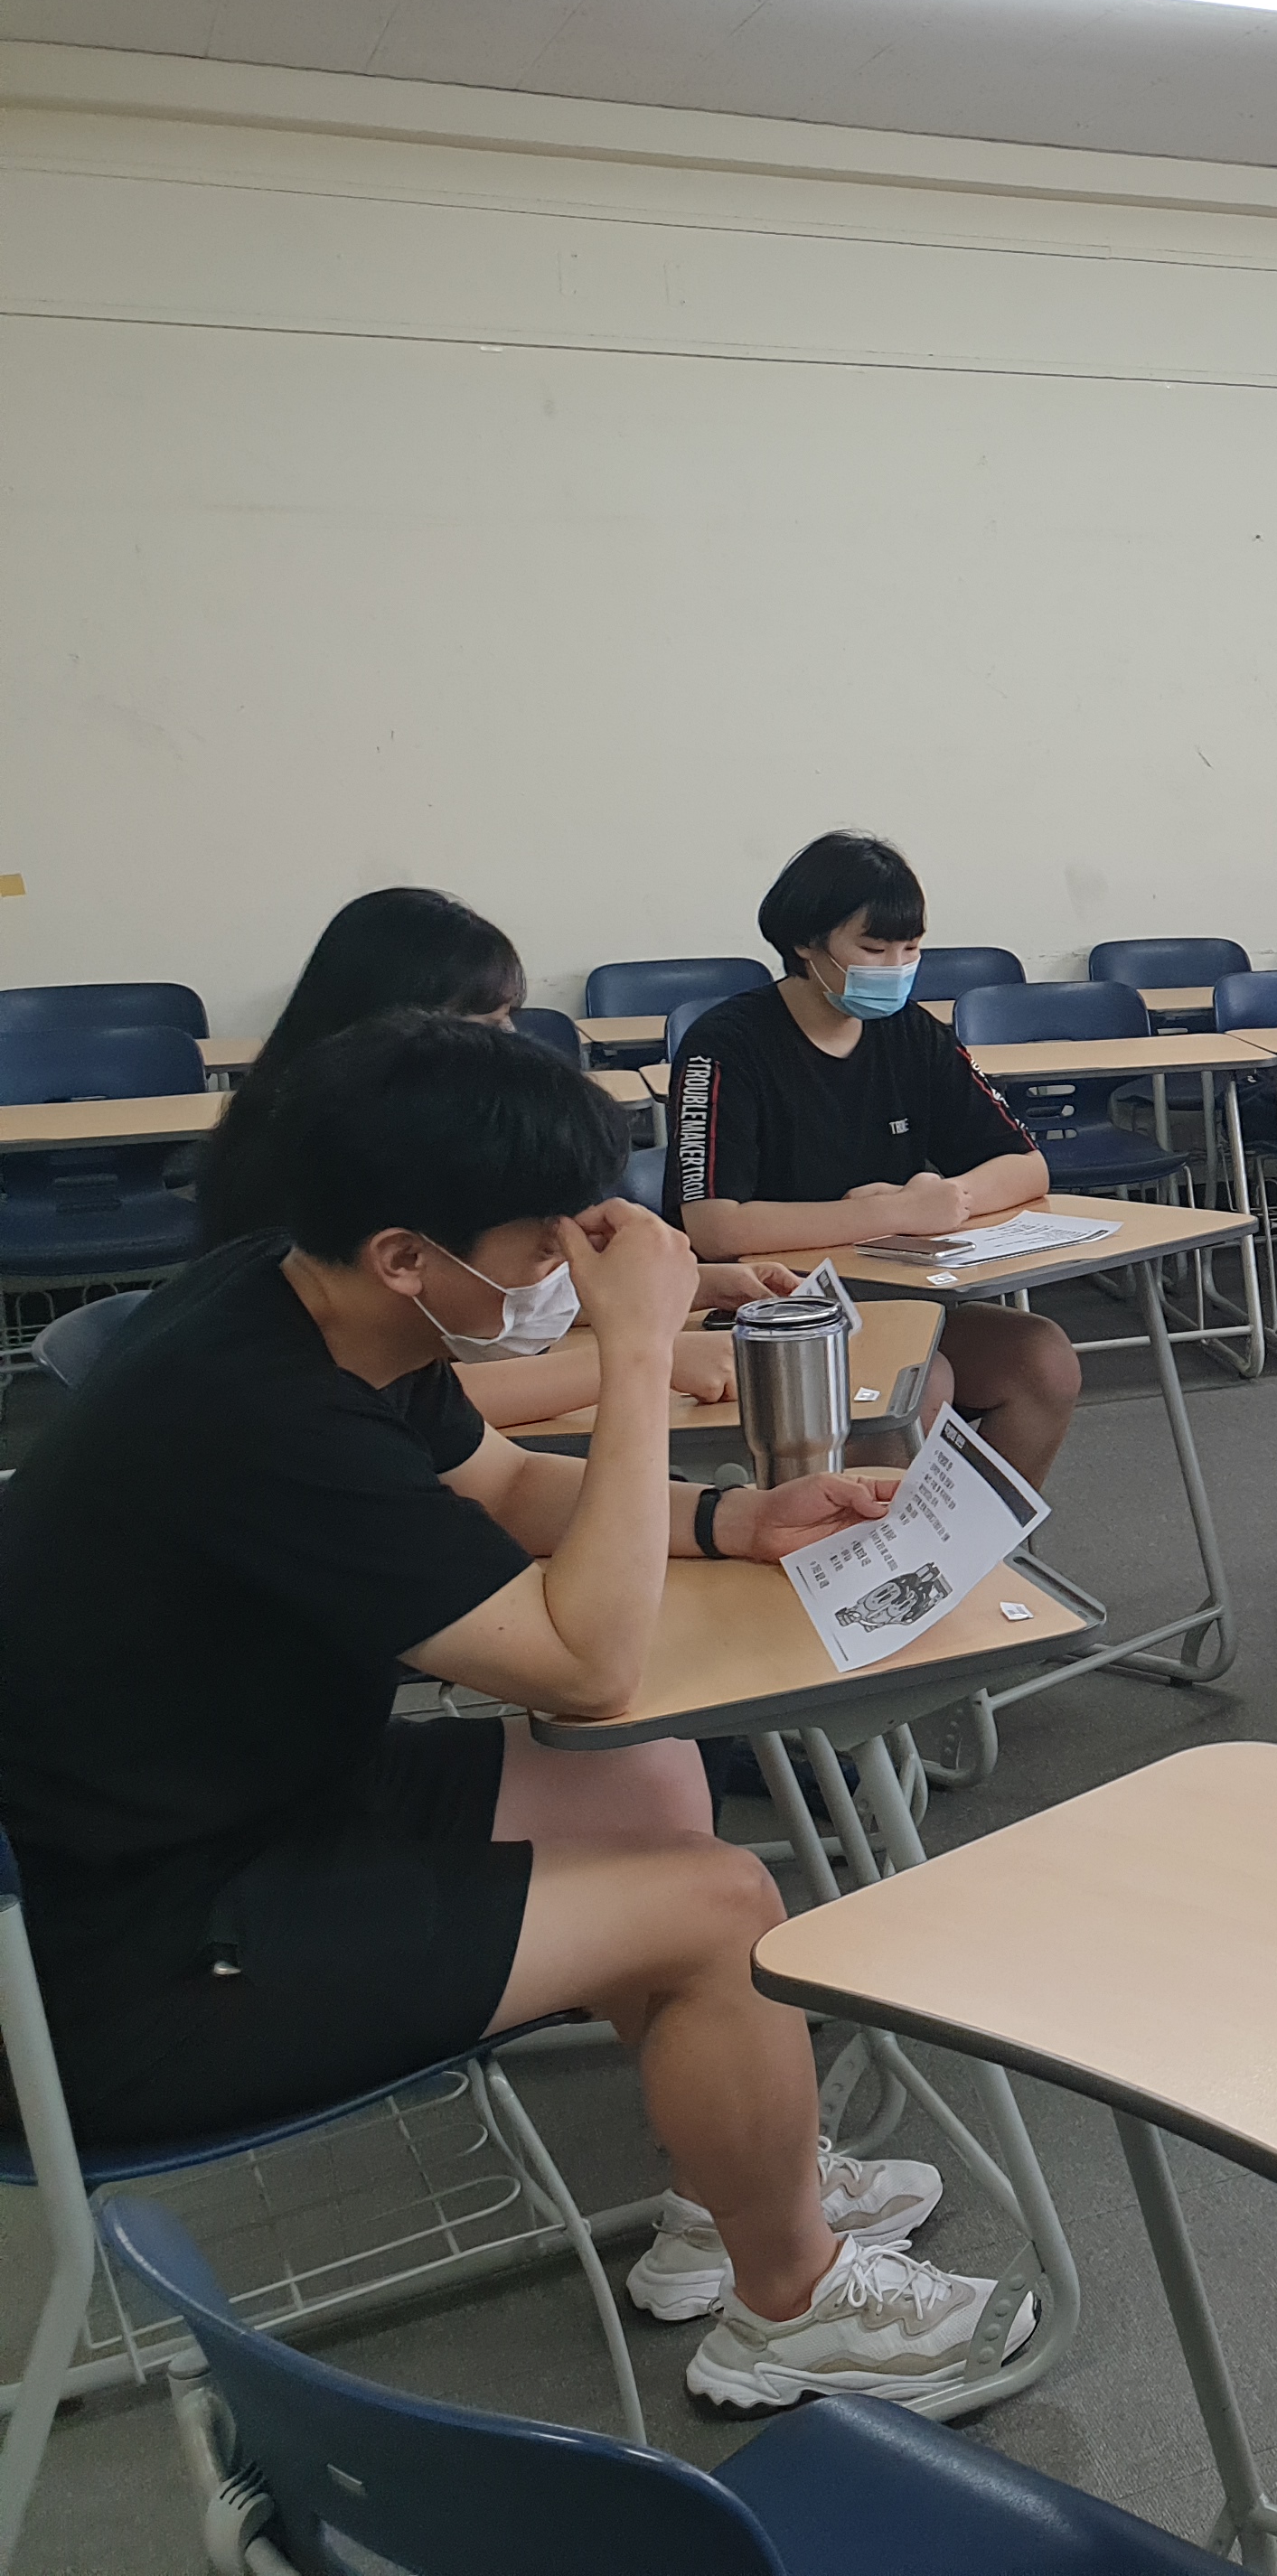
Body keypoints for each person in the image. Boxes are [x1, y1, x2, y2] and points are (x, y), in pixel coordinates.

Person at [0, 1015, 1028, 2409]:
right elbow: (584, 1664)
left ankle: (729, 2185)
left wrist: (732, 1518)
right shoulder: (259, 1418)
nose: (566, 1269)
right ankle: (791, 2307)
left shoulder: (306, 1296)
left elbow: (506, 1484)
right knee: (721, 1904)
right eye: (543, 1244)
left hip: (251, 1797)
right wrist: (640, 1351)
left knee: (646, 1781)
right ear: (405, 1258)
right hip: (125, 1965)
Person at [199, 885, 791, 1426]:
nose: (507, 1045)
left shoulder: (410, 1144)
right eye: (484, 1024)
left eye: (509, 1020)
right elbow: (388, 1395)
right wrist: (642, 1355)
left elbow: (484, 1291)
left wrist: (687, 1290)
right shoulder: (304, 1170)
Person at [668, 831, 1081, 1486]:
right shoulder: (726, 1044)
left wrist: (948, 1201)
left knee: (1042, 1360)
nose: (895, 966)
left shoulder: (911, 1033)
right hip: (772, 1311)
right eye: (872, 948)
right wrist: (896, 1213)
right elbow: (715, 1226)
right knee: (921, 1384)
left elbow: (1026, 1166)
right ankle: (863, 1544)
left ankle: (965, 1540)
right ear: (806, 942)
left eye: (910, 949)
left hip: (896, 1295)